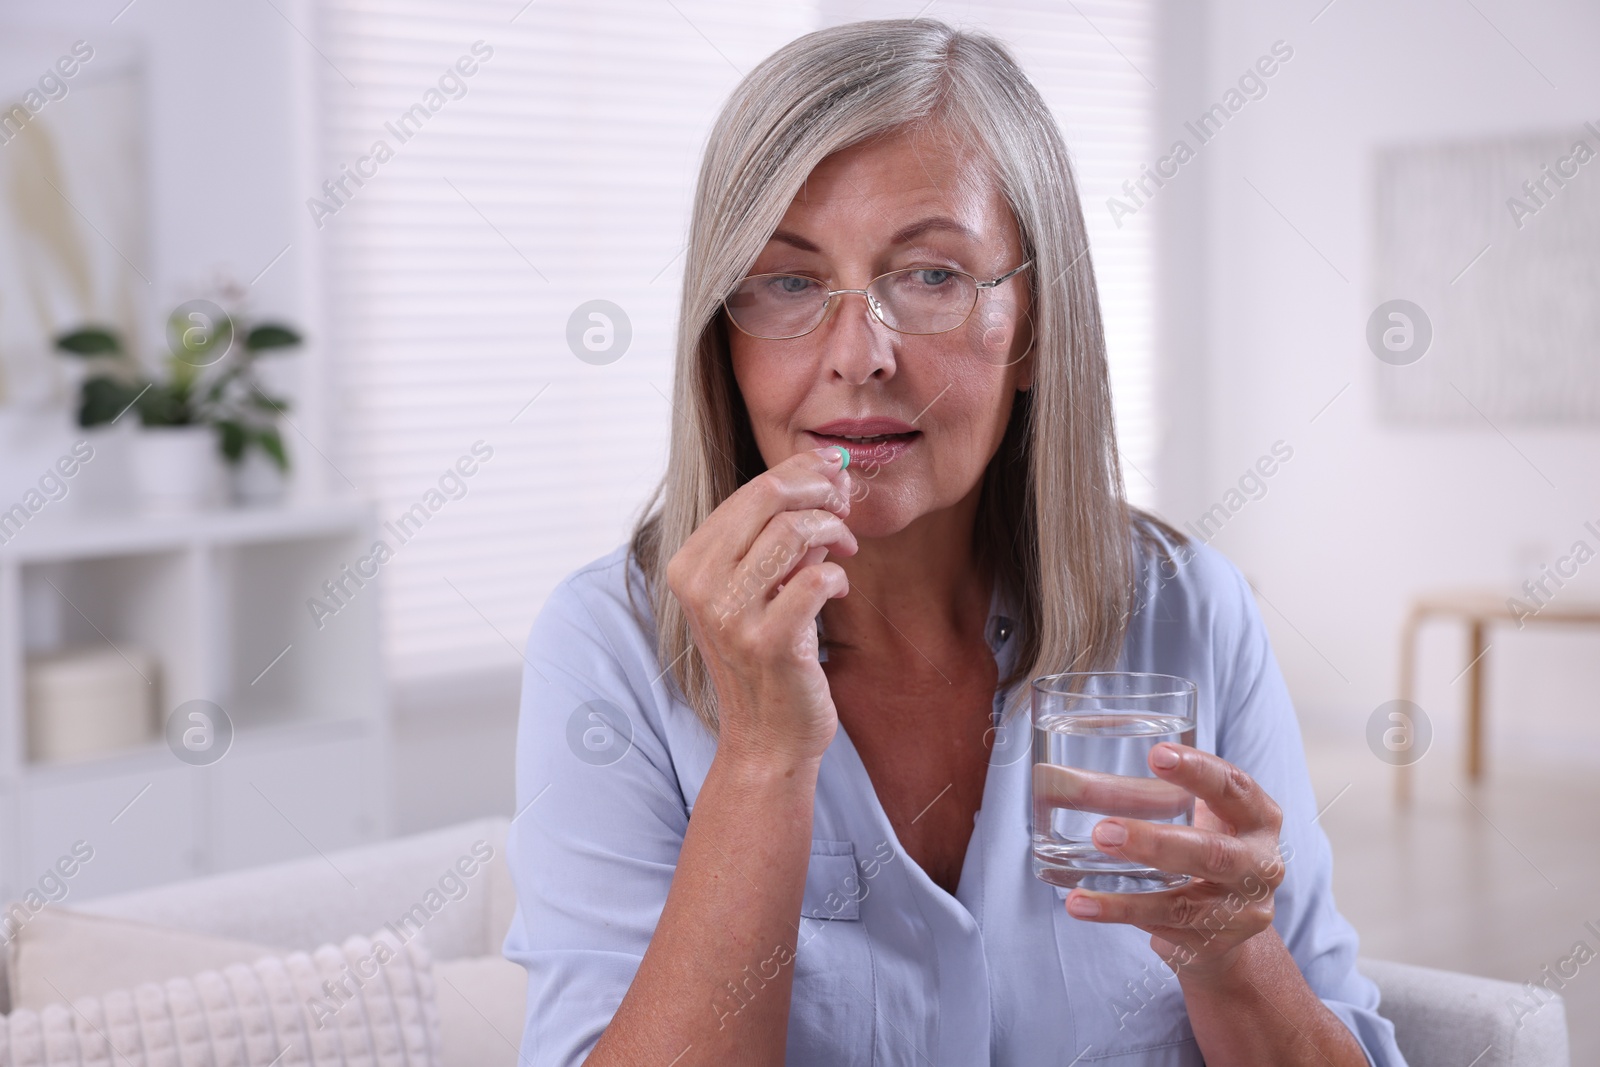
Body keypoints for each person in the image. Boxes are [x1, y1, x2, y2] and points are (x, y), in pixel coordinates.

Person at [503, 17, 1406, 1066]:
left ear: (1031, 324)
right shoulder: (608, 645)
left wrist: (1228, 955)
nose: (858, 356)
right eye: (789, 282)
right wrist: (759, 760)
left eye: (930, 275)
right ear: (724, 337)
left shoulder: (1187, 609)